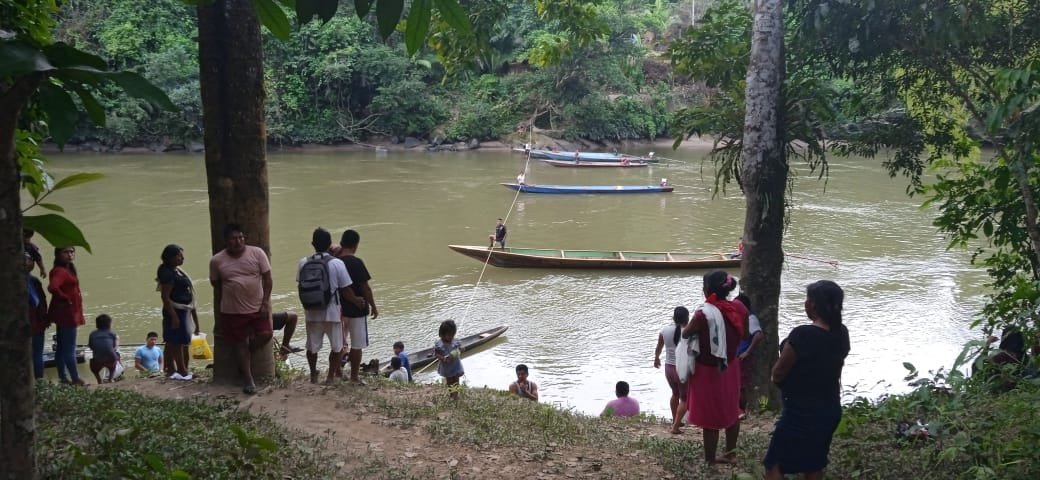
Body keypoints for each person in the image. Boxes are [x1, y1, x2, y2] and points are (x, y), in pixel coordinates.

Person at [764, 280, 850, 480]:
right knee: (814, 464)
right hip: (829, 410)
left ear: (813, 305)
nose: (805, 303)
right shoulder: (841, 333)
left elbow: (778, 374)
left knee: (774, 464)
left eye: (808, 299)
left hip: (800, 412)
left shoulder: (803, 335)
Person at [681, 270, 748, 465]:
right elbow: (744, 335)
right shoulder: (738, 308)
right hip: (731, 366)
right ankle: (730, 454)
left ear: (706, 289)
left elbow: (686, 334)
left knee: (710, 418)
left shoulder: (704, 314)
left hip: (709, 371)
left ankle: (710, 461)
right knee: (732, 409)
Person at [210, 223, 273, 394]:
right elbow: (216, 284)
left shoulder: (257, 253)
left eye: (240, 238)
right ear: (226, 241)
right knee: (239, 343)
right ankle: (248, 379)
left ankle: (245, 355)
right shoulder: (217, 260)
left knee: (266, 334)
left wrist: (265, 303)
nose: (237, 242)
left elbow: (268, 279)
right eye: (233, 238)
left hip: (257, 307)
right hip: (232, 310)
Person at [297, 227, 353, 385]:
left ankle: (313, 375)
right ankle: (329, 378)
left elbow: (300, 285)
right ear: (329, 244)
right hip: (332, 312)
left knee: (312, 347)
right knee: (337, 348)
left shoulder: (303, 262)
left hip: (311, 311)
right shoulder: (337, 263)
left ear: (312, 244)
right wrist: (357, 301)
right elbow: (346, 289)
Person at [335, 229, 377, 384]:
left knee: (339, 343)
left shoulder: (335, 262)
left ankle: (337, 372)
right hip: (357, 311)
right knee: (357, 345)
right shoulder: (356, 262)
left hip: (338, 310)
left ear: (341, 243)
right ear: (356, 244)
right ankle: (354, 377)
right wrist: (373, 305)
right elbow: (365, 287)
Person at [157, 244, 200, 380]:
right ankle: (180, 370)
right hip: (176, 310)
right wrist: (174, 316)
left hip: (184, 309)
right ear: (170, 258)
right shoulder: (167, 273)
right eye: (179, 256)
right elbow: (165, 297)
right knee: (176, 341)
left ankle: (177, 368)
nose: (182, 258)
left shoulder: (176, 270)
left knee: (179, 340)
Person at [48, 245, 86, 385]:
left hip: (65, 313)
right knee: (69, 348)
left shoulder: (66, 269)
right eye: (66, 252)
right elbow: (52, 287)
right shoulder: (60, 271)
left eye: (72, 252)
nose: (70, 254)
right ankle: (76, 378)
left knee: (62, 347)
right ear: (58, 254)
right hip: (67, 314)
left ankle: (63, 377)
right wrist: (66, 299)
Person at [655, 306, 689, 434]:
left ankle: (676, 420)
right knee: (685, 398)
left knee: (675, 394)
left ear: (674, 318)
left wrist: (656, 358)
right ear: (687, 318)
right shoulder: (688, 331)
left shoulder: (664, 330)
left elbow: (659, 346)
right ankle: (675, 426)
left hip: (668, 368)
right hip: (681, 368)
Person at [735, 294, 764, 414]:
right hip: (736, 356)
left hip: (742, 357)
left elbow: (758, 335)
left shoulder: (750, 318)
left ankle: (741, 411)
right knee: (736, 384)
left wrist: (747, 352)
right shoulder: (741, 317)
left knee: (740, 386)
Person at [26, 251, 49, 380]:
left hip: (35, 323)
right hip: (33, 324)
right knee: (37, 354)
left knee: (36, 354)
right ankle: (39, 382)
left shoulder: (33, 281)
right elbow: (38, 301)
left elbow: (41, 302)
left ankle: (37, 381)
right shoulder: (32, 281)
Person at [87, 314, 121, 384]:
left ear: (97, 324)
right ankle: (110, 379)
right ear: (109, 324)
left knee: (94, 369)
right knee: (114, 359)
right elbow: (114, 347)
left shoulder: (92, 334)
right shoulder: (112, 334)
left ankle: (99, 380)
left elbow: (91, 347)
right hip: (110, 360)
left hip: (97, 360)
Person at [434, 320, 464, 398]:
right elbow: (436, 353)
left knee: (456, 379)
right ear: (442, 334)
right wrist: (442, 358)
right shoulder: (439, 344)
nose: (451, 337)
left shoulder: (455, 341)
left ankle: (456, 395)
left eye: (452, 335)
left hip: (456, 364)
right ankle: (451, 394)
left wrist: (461, 349)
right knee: (449, 380)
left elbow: (461, 348)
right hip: (447, 366)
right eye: (449, 335)